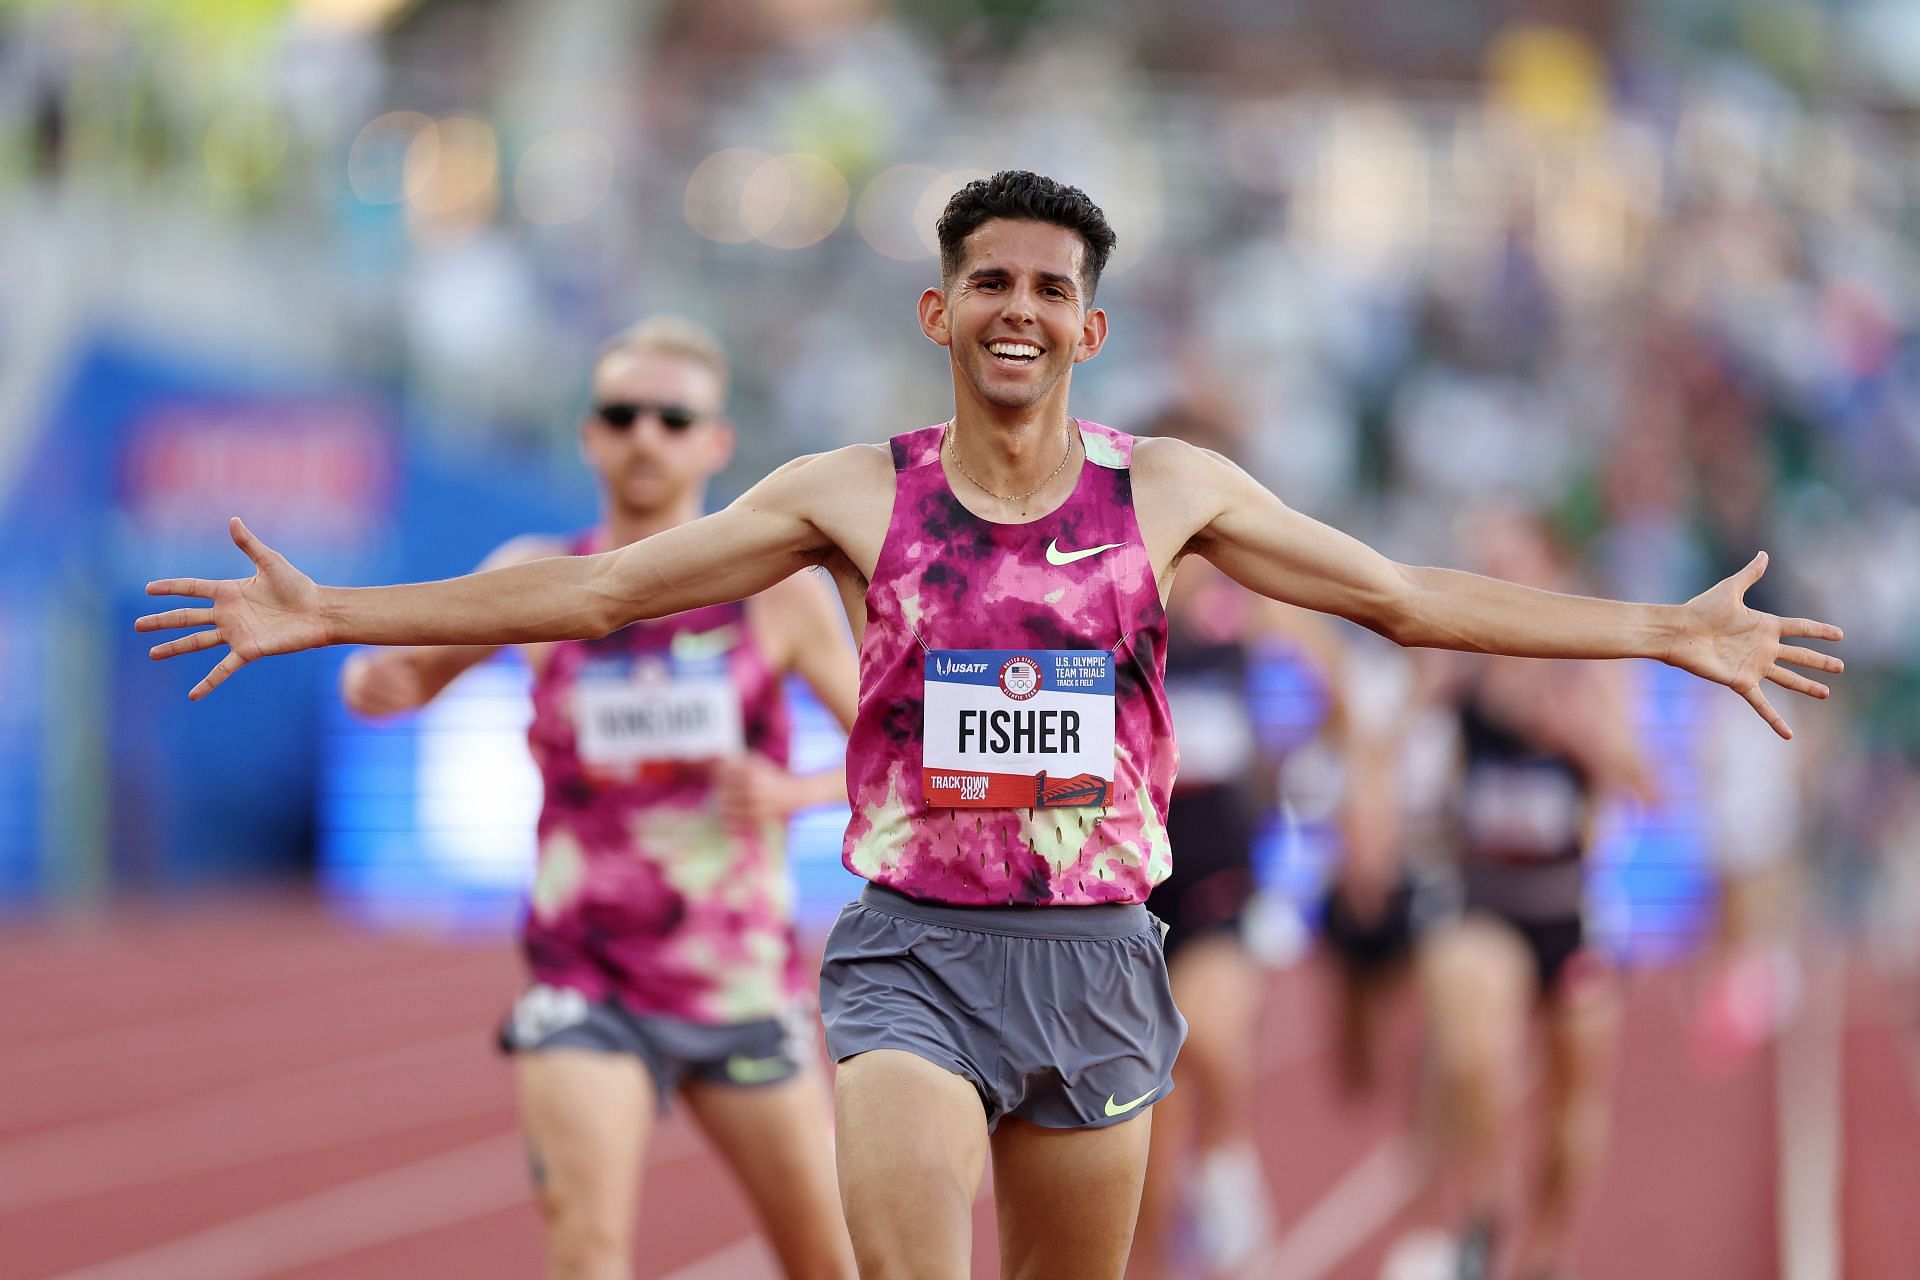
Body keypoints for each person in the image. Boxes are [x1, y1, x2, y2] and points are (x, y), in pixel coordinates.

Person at [140, 170, 1843, 1280]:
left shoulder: (1168, 493)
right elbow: (601, 596)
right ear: (939, 313)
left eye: (1048, 285)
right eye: (987, 281)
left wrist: (1662, 631)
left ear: (1088, 326)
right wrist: (339, 611)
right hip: (910, 956)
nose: (1017, 307)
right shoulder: (848, 496)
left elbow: (1397, 598)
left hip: (1100, 957)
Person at [337, 317, 859, 1280]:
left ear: (716, 443)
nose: (645, 436)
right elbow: (402, 680)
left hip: (738, 978)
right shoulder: (533, 580)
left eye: (673, 417)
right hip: (586, 976)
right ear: (589, 435)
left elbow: (894, 748)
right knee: (586, 1256)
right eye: (622, 414)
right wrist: (368, 680)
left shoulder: (775, 598)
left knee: (830, 1260)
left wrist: (795, 789)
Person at [1129, 400, 1348, 1278]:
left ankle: (1224, 1159)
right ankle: (1157, 1245)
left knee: (1210, 1037)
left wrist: (1305, 757)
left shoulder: (1250, 599)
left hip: (1220, 864)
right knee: (1142, 1107)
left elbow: (1334, 680)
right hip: (1126, 878)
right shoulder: (1118, 583)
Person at [1410, 509, 1658, 1280]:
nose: (1495, 581)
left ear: (1550, 571)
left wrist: (1570, 732)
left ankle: (1546, 1251)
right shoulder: (1459, 664)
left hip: (1570, 910)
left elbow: (1649, 788)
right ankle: (1484, 1208)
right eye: (1486, 566)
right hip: (1488, 898)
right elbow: (1405, 749)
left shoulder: (1590, 668)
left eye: (1509, 564)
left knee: (1572, 1105)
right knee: (1472, 1052)